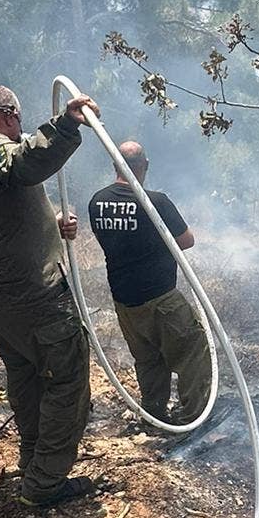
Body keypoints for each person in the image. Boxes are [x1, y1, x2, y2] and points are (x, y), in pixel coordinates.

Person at [0, 83, 97, 507]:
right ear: (9, 115)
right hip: (36, 298)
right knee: (68, 384)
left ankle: (32, 467)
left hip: (2, 302)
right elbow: (24, 165)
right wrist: (65, 126)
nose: (17, 131)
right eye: (18, 124)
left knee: (27, 385)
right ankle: (45, 483)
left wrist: (52, 225)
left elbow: (1, 218)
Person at [87, 141, 211, 427]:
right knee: (193, 349)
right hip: (160, 296)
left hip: (124, 300)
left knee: (148, 359)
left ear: (115, 165)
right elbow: (186, 241)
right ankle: (193, 416)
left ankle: (154, 414)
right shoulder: (156, 201)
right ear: (144, 166)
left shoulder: (97, 201)